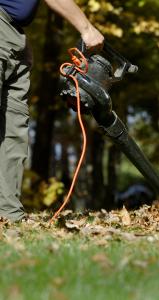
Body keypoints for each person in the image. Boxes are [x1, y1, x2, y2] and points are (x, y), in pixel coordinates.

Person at [0, 0, 104, 221]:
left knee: (14, 125)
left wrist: (16, 36)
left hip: (12, 32)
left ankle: (7, 215)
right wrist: (86, 28)